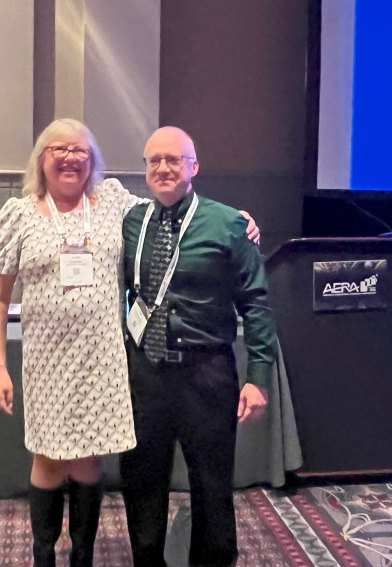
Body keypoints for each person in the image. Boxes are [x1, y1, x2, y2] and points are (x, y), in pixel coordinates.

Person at [0, 119, 258, 567]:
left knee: (89, 460)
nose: (70, 158)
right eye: (59, 149)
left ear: (92, 159)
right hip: (46, 360)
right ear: (41, 158)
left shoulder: (113, 203)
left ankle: (82, 556)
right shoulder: (20, 214)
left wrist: (237, 220)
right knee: (48, 458)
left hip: (103, 360)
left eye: (80, 150)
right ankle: (44, 555)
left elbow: (170, 207)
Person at [120, 126, 277, 567]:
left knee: (211, 484)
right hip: (145, 374)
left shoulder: (229, 224)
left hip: (205, 376)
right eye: (154, 160)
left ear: (194, 167)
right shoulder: (131, 222)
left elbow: (257, 304)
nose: (163, 168)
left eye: (174, 159)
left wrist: (258, 377)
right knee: (141, 480)